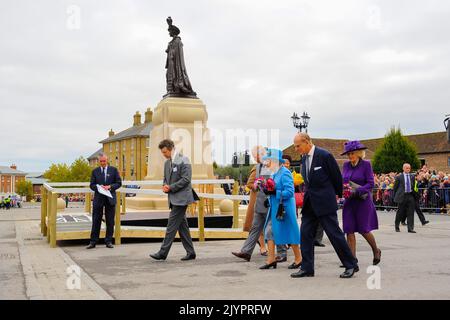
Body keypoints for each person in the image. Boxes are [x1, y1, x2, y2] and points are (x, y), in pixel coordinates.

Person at [290, 133, 358, 279]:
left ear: (307, 142)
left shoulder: (324, 155)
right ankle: (307, 268)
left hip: (325, 203)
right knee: (305, 234)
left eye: (297, 146)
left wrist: (336, 196)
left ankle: (351, 264)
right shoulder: (304, 159)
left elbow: (336, 178)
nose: (296, 149)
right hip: (310, 203)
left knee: (334, 234)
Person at [150, 139, 197, 261]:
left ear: (171, 149)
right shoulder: (167, 163)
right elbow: (165, 178)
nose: (164, 154)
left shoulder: (184, 160)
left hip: (182, 199)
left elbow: (186, 179)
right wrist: (165, 185)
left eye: (165, 152)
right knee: (183, 227)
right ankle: (191, 252)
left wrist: (170, 187)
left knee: (171, 226)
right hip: (173, 198)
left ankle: (163, 252)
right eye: (162, 152)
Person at [259, 149, 302, 270]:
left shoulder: (285, 172)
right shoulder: (274, 173)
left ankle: (299, 258)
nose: (267, 163)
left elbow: (290, 192)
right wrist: (269, 194)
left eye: (269, 161)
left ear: (276, 161)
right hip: (275, 208)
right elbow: (273, 190)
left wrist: (274, 192)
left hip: (285, 209)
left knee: (290, 233)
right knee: (269, 231)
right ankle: (271, 259)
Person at [341, 140, 381, 266]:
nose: (350, 156)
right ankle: (352, 260)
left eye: (352, 153)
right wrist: (344, 188)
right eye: (348, 154)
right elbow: (344, 181)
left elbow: (371, 183)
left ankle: (376, 250)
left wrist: (357, 190)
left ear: (359, 153)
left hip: (362, 201)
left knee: (364, 229)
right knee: (349, 230)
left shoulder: (366, 165)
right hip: (349, 201)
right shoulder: (346, 165)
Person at [232, 146, 270, 261]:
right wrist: (258, 185)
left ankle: (282, 251)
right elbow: (250, 184)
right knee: (256, 228)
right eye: (254, 156)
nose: (255, 158)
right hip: (259, 202)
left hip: (268, 202)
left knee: (272, 227)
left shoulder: (271, 165)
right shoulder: (257, 168)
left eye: (256, 155)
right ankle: (246, 252)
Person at [86, 154, 122, 249]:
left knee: (110, 221)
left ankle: (108, 241)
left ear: (107, 161)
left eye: (104, 161)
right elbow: (91, 185)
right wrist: (99, 187)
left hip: (110, 199)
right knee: (96, 220)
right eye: (101, 161)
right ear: (99, 162)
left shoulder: (113, 170)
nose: (102, 163)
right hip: (98, 199)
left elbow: (119, 183)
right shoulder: (95, 171)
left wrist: (110, 187)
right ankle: (93, 242)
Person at [394, 163, 418, 233]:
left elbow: (413, 186)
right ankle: (397, 226)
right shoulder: (399, 177)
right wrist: (397, 196)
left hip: (410, 195)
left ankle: (410, 228)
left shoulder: (412, 176)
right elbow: (395, 188)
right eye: (407, 168)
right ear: (403, 168)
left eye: (409, 168)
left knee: (411, 212)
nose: (408, 169)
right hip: (402, 196)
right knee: (400, 212)